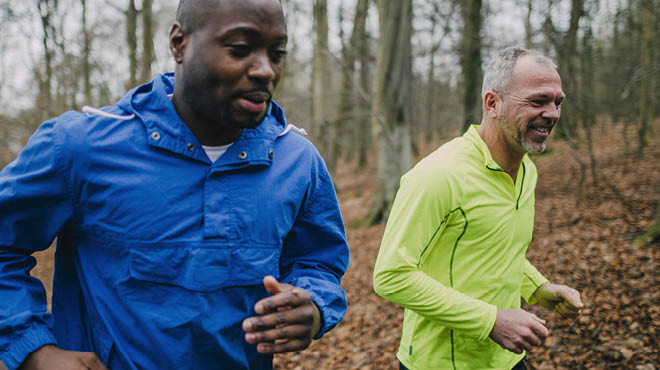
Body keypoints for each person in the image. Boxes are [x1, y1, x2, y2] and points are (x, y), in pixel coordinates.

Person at [0, 0, 349, 369]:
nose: (265, 70)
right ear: (179, 43)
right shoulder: (80, 147)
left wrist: (312, 305)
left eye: (277, 53)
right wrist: (35, 351)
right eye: (240, 49)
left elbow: (319, 261)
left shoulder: (297, 161)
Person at [373, 47, 584, 370]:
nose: (553, 113)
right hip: (441, 363)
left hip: (508, 358)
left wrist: (539, 289)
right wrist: (491, 320)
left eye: (557, 102)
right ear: (492, 103)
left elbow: (494, 247)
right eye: (538, 101)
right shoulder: (438, 175)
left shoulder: (527, 171)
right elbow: (391, 275)